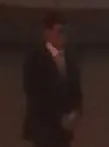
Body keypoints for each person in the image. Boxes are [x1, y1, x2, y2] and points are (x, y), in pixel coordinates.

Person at [22, 12, 82, 147]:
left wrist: (76, 111)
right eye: (59, 31)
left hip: (64, 131)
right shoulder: (35, 59)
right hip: (43, 130)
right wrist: (60, 117)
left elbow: (76, 89)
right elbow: (35, 96)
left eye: (65, 32)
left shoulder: (71, 57)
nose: (63, 36)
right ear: (47, 33)